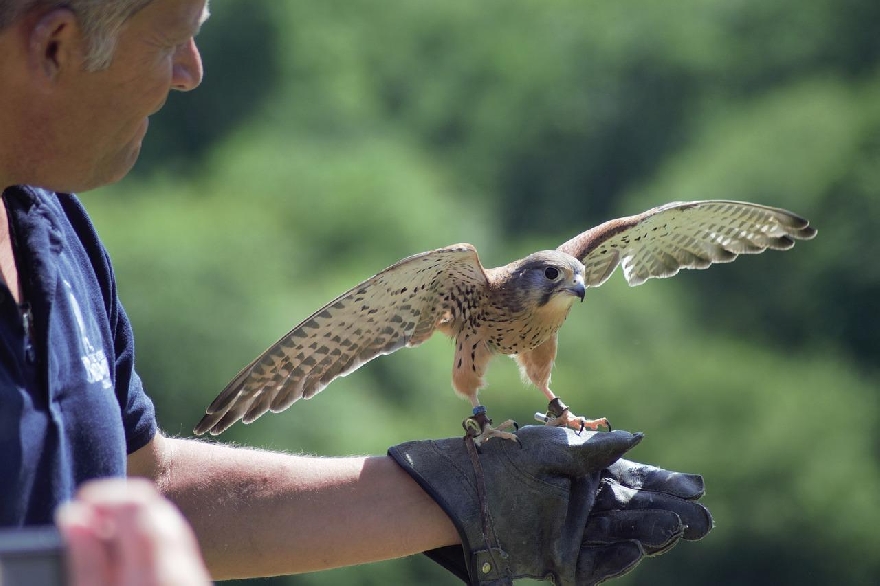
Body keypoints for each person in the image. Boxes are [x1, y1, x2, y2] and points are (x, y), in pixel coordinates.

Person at [0, 1, 712, 584]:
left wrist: (469, 493)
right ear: (57, 44)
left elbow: (139, 492)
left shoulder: (57, 229)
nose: (192, 73)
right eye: (174, 41)